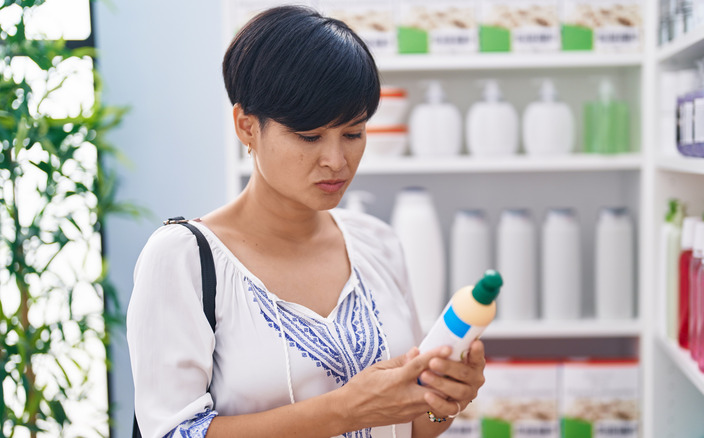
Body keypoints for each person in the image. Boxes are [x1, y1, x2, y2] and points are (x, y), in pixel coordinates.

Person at [126, 5, 487, 438]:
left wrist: (441, 401)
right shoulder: (184, 259)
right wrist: (346, 410)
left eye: (353, 133)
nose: (337, 160)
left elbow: (408, 427)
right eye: (309, 136)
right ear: (246, 126)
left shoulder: (378, 243)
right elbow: (169, 433)